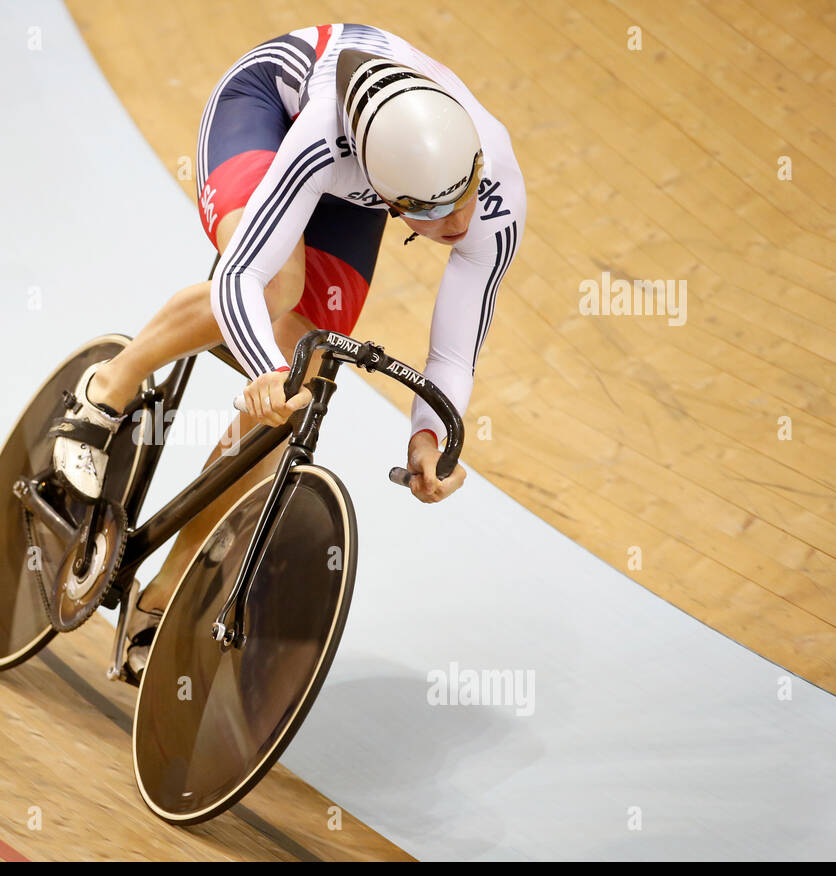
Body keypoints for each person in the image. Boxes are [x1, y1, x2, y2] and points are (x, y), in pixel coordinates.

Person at [51, 23, 527, 678]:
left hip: (357, 179)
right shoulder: (321, 139)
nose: (458, 224)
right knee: (277, 285)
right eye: (430, 212)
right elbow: (239, 277)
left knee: (307, 375)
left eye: (465, 196)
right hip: (270, 112)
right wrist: (263, 367)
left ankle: (166, 584)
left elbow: (453, 353)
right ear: (391, 195)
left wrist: (428, 437)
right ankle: (107, 388)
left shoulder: (491, 184)